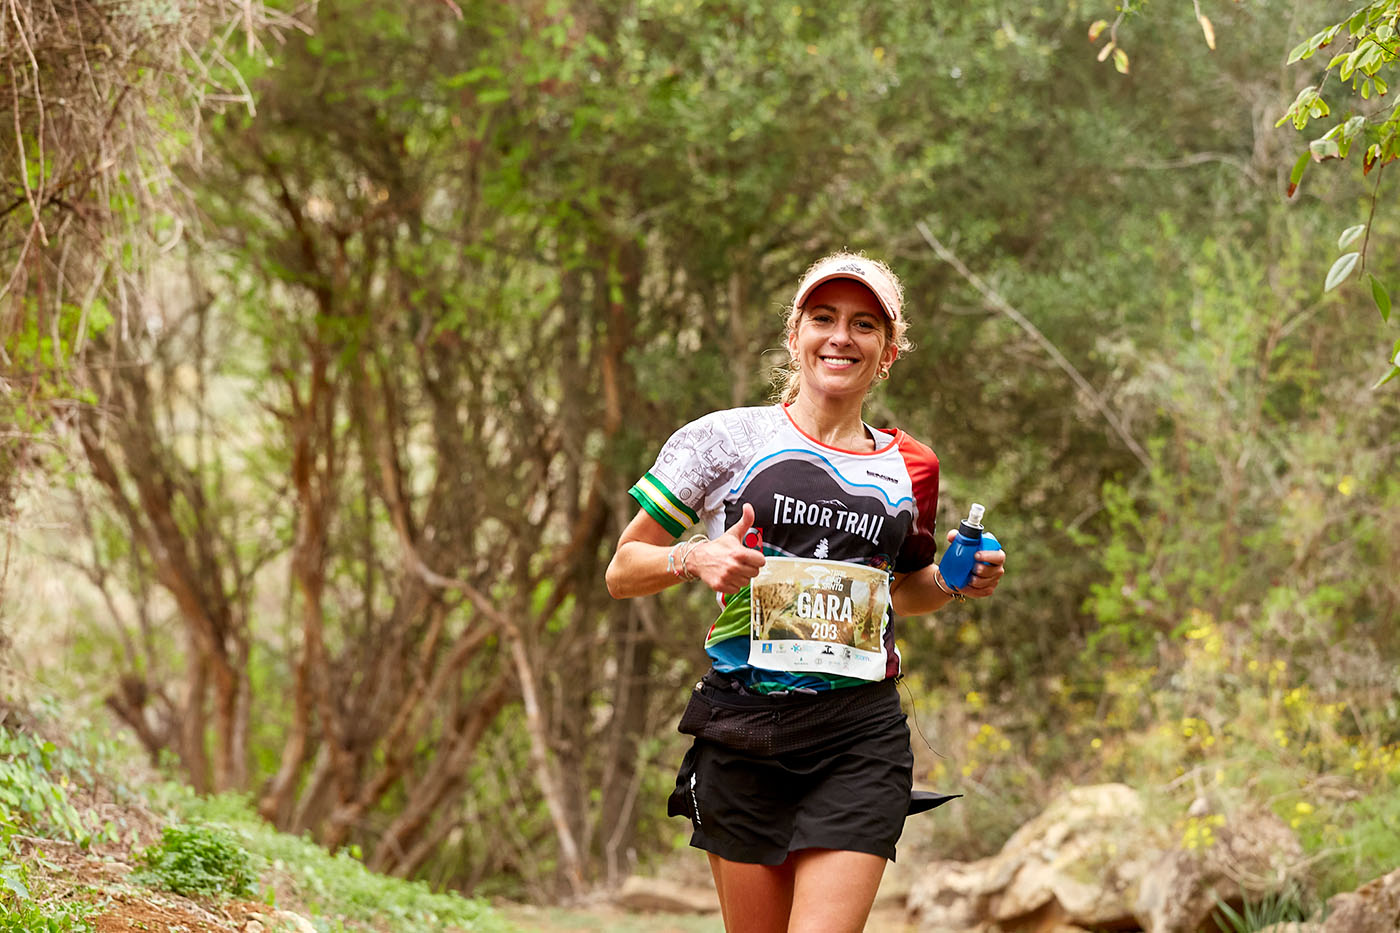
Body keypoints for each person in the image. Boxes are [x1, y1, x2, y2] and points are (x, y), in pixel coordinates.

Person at [605, 252, 1006, 933]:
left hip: (859, 733)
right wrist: (694, 556)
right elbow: (622, 568)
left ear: (888, 352)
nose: (840, 337)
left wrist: (953, 581)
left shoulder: (913, 466)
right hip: (742, 728)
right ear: (795, 335)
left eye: (863, 324)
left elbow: (904, 590)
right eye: (823, 318)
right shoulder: (722, 440)